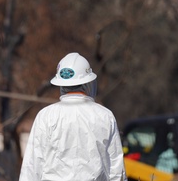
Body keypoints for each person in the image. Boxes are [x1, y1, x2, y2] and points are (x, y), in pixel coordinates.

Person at [19, 52, 127, 181]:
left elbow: (31, 167)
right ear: (88, 82)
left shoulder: (46, 116)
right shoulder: (105, 116)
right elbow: (116, 170)